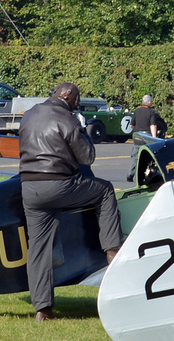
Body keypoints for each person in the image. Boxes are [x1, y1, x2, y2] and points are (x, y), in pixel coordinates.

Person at [18, 82, 123, 321]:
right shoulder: (68, 119)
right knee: (105, 190)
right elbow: (88, 157)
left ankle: (42, 310)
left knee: (38, 248)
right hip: (58, 183)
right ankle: (113, 251)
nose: (78, 102)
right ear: (68, 96)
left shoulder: (30, 114)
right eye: (77, 99)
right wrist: (83, 129)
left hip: (29, 188)